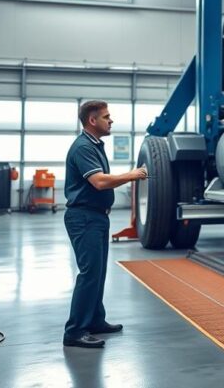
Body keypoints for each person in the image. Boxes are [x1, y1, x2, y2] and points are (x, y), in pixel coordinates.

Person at [63, 100, 148, 348]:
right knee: (89, 273)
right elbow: (99, 182)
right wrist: (133, 174)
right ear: (92, 120)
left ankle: (95, 320)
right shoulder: (82, 148)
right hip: (84, 217)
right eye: (106, 117)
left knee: (98, 272)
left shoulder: (95, 145)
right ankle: (75, 331)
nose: (111, 121)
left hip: (96, 216)